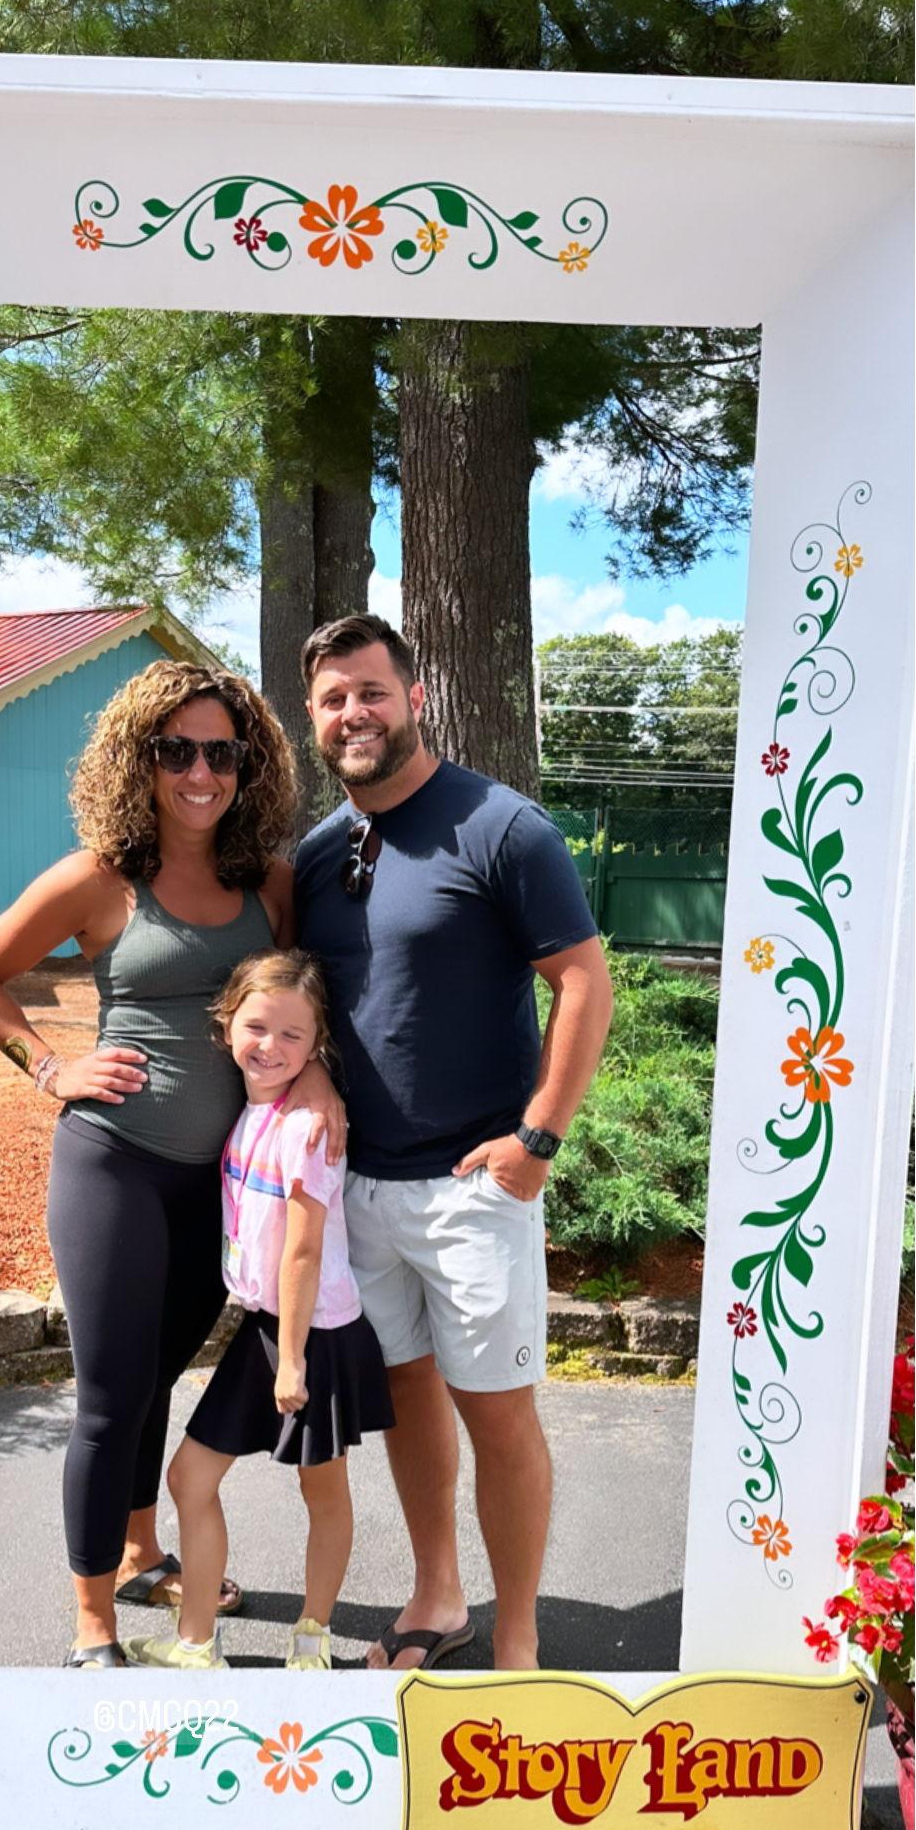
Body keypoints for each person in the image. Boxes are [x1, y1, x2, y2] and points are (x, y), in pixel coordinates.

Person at [0, 657, 340, 1668]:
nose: (200, 773)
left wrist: (319, 1081)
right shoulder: (97, 878)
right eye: (177, 751)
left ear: (249, 765)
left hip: (217, 1185)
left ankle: (138, 1553)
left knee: (155, 1375)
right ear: (140, 758)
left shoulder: (268, 884)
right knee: (111, 1399)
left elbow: (302, 1002)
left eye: (222, 753)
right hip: (113, 1166)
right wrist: (49, 1067)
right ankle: (93, 1623)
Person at [292, 612, 614, 1673]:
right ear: (312, 716)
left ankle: (517, 1637)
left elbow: (582, 980)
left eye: (371, 691)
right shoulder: (316, 854)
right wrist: (311, 1082)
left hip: (477, 1183)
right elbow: (299, 999)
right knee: (407, 1400)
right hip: (361, 1189)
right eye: (332, 698)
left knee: (497, 1414)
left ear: (415, 697)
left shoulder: (502, 826)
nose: (353, 713)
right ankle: (439, 1593)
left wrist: (537, 1139)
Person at [125, 951, 394, 1671]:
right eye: (257, 1027)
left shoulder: (307, 1129)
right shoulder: (254, 1110)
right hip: (268, 1327)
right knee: (190, 1479)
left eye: (292, 1036)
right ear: (226, 1024)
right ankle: (195, 1643)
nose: (270, 1046)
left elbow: (303, 1252)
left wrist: (295, 1361)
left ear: (316, 1045)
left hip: (314, 1334)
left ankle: (311, 1637)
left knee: (322, 1490)